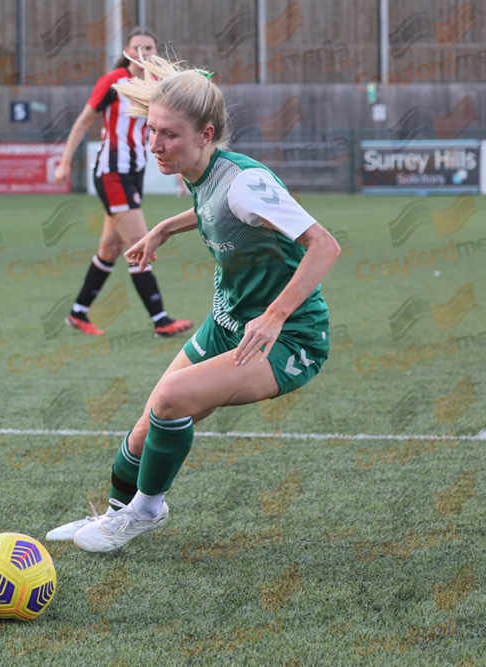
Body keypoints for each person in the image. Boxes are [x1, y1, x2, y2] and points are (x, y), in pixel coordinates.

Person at [46, 52, 340, 552]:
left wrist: (275, 315)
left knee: (169, 400)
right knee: (145, 426)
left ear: (206, 135)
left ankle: (145, 512)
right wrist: (162, 228)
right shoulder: (202, 171)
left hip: (289, 339)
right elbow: (211, 206)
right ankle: (115, 513)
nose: (155, 145)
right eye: (152, 131)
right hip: (229, 322)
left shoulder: (248, 183)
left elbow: (324, 245)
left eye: (169, 135)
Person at [53, 27, 192, 337]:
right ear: (128, 51)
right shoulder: (113, 81)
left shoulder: (158, 85)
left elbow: (170, 132)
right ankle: (161, 320)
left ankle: (78, 313)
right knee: (139, 245)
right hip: (112, 172)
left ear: (156, 52)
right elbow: (82, 123)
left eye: (149, 47)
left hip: (134, 172)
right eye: (137, 47)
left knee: (111, 249)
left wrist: (182, 170)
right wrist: (64, 162)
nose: (144, 52)